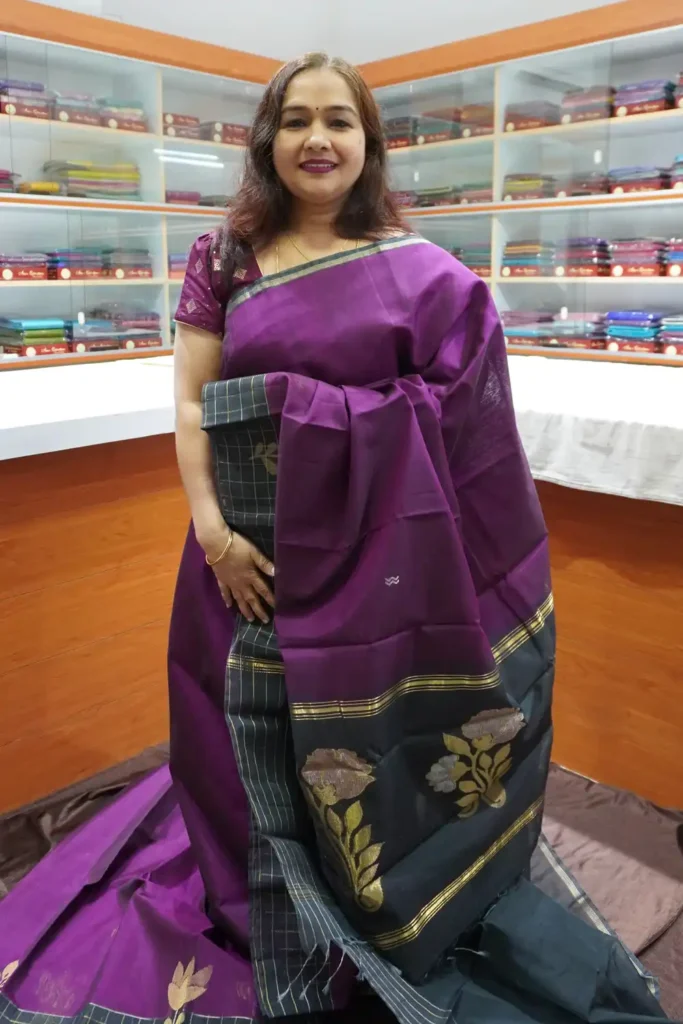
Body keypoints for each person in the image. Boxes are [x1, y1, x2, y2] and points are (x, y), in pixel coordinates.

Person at [0, 53, 668, 1024]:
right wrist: (215, 536)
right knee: (236, 738)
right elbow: (189, 402)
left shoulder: (420, 273)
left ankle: (378, 896)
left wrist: (326, 415)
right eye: (296, 119)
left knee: (369, 738)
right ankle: (259, 896)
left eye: (339, 121)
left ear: (368, 142)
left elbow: (466, 422)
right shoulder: (226, 257)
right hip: (249, 565)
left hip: (382, 568)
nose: (317, 139)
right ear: (267, 139)